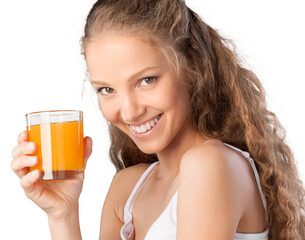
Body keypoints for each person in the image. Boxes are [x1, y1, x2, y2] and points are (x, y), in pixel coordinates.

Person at [11, 0, 305, 239]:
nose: (128, 112)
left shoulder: (211, 164)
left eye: (147, 80)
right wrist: (62, 215)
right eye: (107, 89)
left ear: (191, 68)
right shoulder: (126, 191)